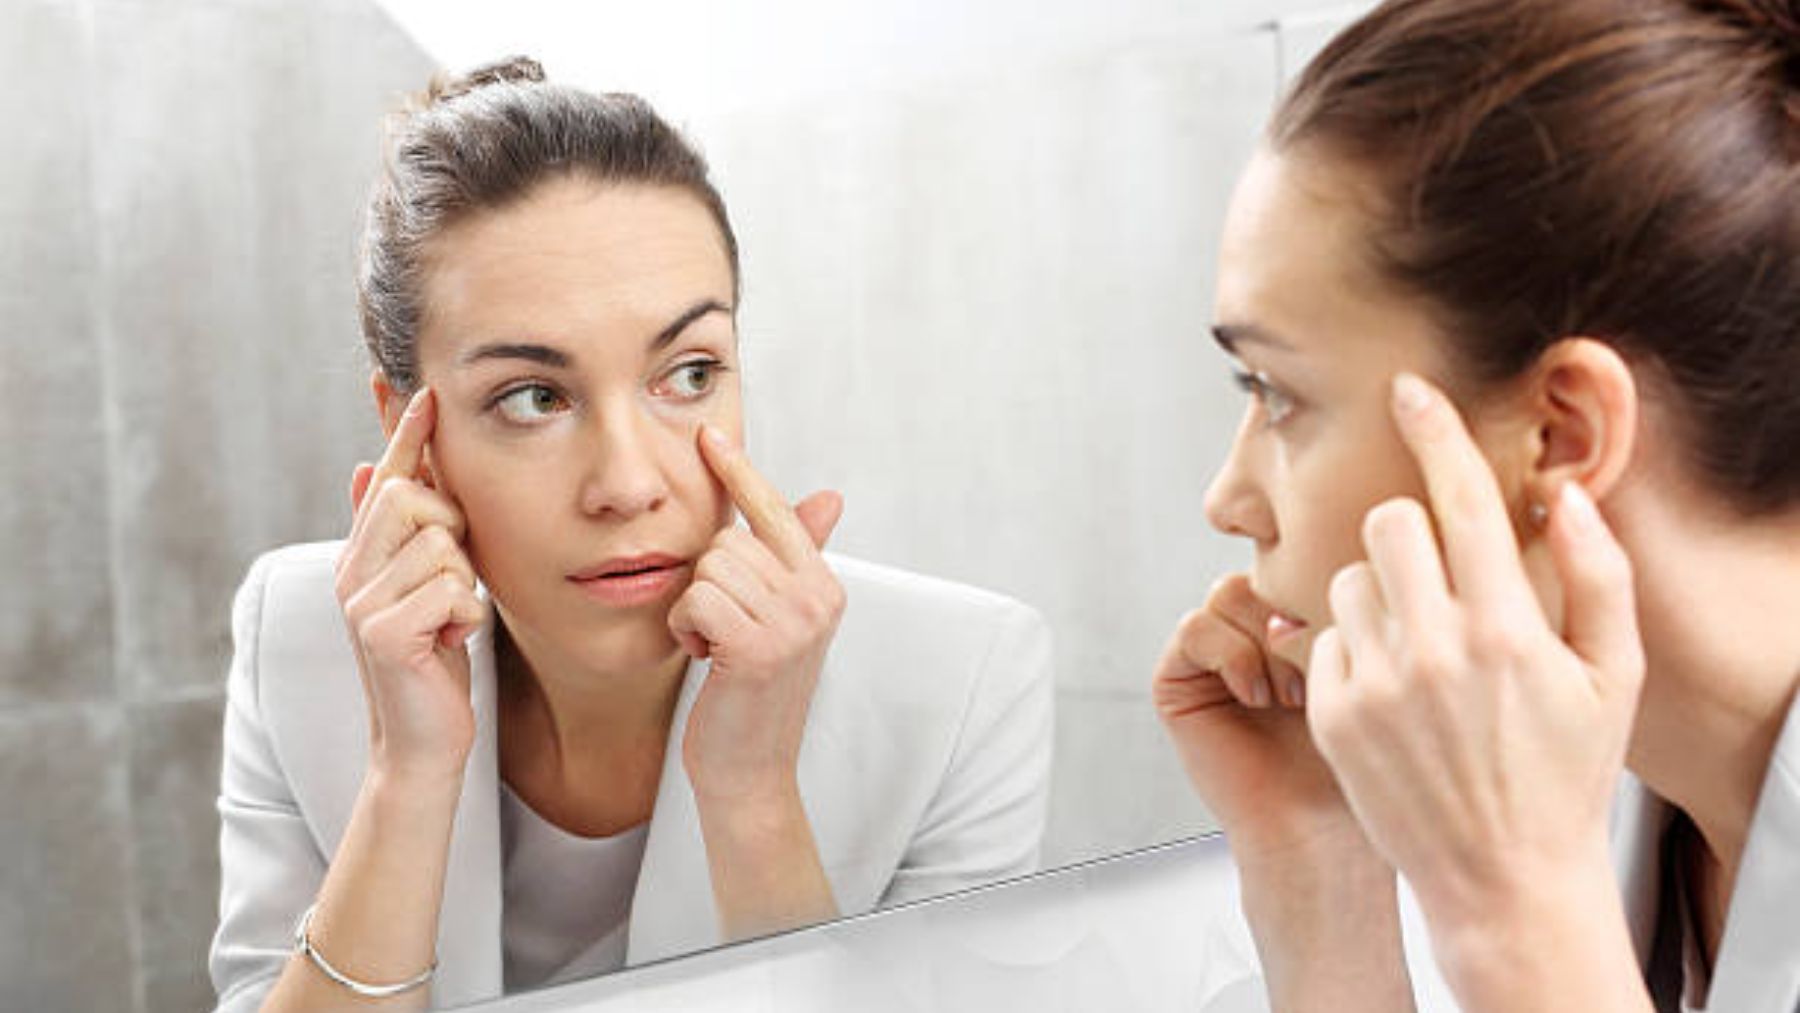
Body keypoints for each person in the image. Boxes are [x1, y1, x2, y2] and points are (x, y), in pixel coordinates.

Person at [208, 58, 1054, 1012]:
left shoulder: (960, 685)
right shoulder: (300, 638)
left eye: (689, 374)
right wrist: (405, 780)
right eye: (535, 397)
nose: (629, 483)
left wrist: (752, 792)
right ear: (416, 434)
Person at [1152, 0, 1800, 1009]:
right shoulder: (1616, 806)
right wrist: (1319, 867)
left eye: (1277, 393)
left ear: (1561, 436)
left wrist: (1518, 915)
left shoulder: (1531, 864)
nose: (1228, 502)